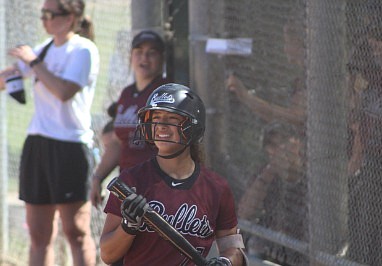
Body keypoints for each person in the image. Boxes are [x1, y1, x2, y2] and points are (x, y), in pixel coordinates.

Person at [100, 83, 247, 265]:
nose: (161, 126)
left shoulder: (216, 188)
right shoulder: (132, 181)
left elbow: (234, 249)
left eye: (171, 119)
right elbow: (107, 254)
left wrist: (226, 262)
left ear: (193, 127)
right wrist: (128, 226)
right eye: (156, 118)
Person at [0, 0, 99, 265]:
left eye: (50, 14)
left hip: (69, 145)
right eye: (42, 13)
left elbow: (64, 91)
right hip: (37, 144)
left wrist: (33, 62)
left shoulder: (82, 50)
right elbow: (7, 77)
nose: (44, 19)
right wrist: (10, 75)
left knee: (75, 231)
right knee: (39, 234)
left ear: (69, 18)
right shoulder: (43, 49)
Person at [224, 8, 307, 265]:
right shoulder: (298, 79)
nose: (285, 48)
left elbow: (293, 117)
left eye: (288, 41)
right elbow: (243, 214)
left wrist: (246, 97)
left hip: (306, 164)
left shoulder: (314, 79)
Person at [346, 1, 382, 264]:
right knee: (367, 223)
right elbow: (355, 86)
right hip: (374, 151)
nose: (374, 44)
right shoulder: (366, 50)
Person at [90, 30, 169, 208]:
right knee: (115, 235)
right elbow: (118, 143)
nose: (144, 58)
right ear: (130, 57)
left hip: (156, 186)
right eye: (139, 52)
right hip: (127, 185)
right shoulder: (127, 94)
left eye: (152, 53)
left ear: (162, 59)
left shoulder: (166, 92)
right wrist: (97, 178)